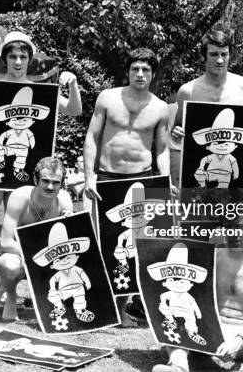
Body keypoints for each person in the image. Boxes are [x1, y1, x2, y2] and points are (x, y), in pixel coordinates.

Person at [83, 47, 171, 326]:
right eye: (135, 69)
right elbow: (92, 138)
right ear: (128, 72)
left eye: (146, 70)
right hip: (107, 179)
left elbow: (162, 150)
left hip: (143, 179)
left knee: (140, 246)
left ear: (153, 74)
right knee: (105, 244)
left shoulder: (160, 107)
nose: (140, 74)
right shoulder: (108, 98)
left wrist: (164, 186)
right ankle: (100, 305)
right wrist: (89, 176)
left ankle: (124, 310)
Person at [153, 219, 243, 372]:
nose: (234, 234)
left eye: (239, 228)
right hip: (209, 334)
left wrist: (239, 340)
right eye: (229, 228)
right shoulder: (213, 257)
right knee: (176, 315)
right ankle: (178, 367)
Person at [0, 31, 83, 218]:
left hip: (28, 169)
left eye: (23, 57)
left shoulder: (43, 92)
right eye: (12, 56)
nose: (17, 62)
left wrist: (73, 84)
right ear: (5, 59)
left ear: (29, 60)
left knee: (24, 230)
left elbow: (74, 110)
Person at [0, 157, 73, 321]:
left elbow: (69, 245)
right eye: (45, 181)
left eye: (56, 182)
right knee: (8, 265)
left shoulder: (64, 201)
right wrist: (35, 256)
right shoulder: (20, 197)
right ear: (35, 179)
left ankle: (51, 297)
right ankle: (10, 295)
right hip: (20, 255)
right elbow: (5, 242)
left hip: (49, 257)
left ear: (62, 184)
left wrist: (70, 224)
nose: (50, 186)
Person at [170, 30, 243, 156]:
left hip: (237, 167)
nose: (220, 60)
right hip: (199, 168)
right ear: (204, 56)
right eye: (214, 54)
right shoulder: (187, 91)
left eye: (224, 54)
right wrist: (176, 133)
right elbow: (177, 128)